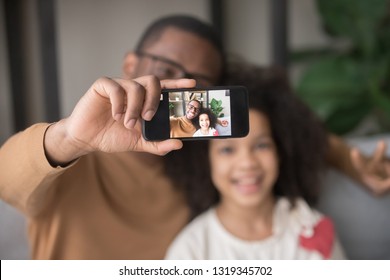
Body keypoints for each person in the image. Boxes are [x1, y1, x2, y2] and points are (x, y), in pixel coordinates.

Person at [0, 14, 389, 260]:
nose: (174, 89)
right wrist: (71, 137)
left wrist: (349, 160)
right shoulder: (72, 155)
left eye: (197, 84)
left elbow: (278, 136)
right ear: (130, 64)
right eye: (166, 68)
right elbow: (6, 179)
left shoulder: (205, 164)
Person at [165, 64, 346, 259]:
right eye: (227, 149)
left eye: (261, 146)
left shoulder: (311, 226)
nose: (247, 163)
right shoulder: (191, 250)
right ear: (205, 160)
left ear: (281, 151)